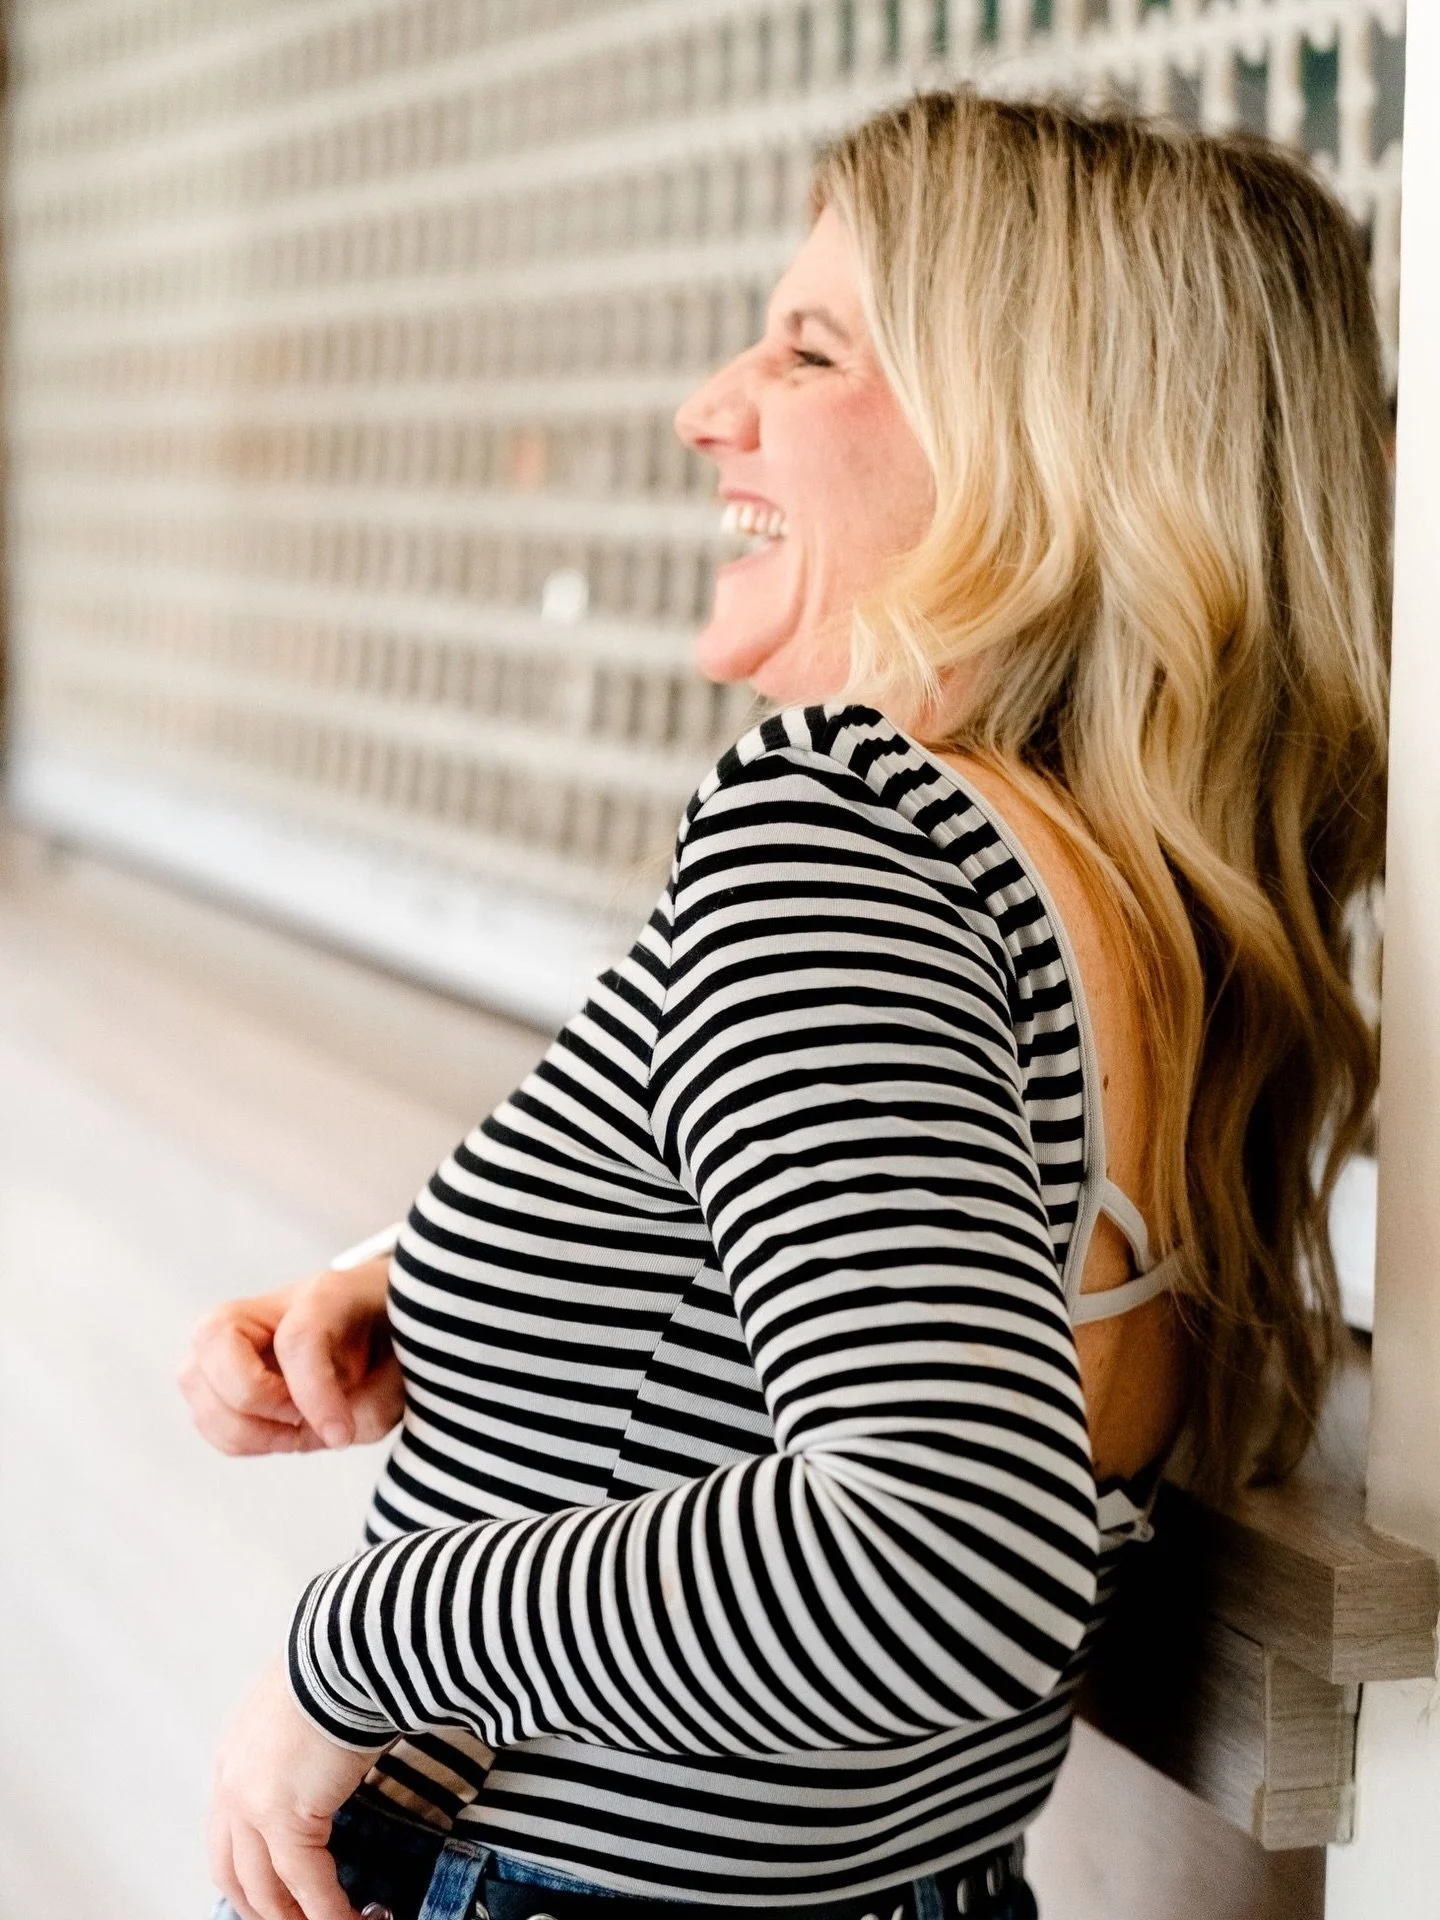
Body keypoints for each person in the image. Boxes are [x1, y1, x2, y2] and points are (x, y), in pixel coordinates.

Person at [181, 88, 1390, 1920]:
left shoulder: (841, 825)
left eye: (810, 348)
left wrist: (348, 1653)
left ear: (1034, 445)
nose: (707, 407)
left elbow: (930, 1562)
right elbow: (812, 1301)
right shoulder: (1132, 914)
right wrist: (432, 1277)